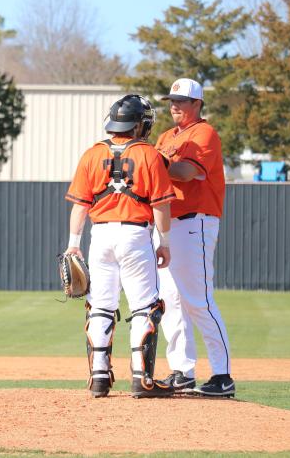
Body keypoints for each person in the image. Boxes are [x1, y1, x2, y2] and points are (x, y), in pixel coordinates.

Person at [64, 94, 176, 399]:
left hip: (99, 236)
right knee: (145, 307)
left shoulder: (91, 154)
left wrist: (74, 244)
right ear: (139, 125)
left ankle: (99, 377)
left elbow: (79, 206)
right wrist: (164, 242)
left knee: (100, 306)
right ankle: (142, 379)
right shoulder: (149, 155)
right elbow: (161, 206)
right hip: (135, 236)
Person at [155, 78, 235, 397]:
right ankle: (182, 370)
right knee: (171, 301)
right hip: (168, 224)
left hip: (195, 222)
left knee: (198, 300)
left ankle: (222, 375)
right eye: (171, 100)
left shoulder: (205, 133)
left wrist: (152, 159)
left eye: (181, 101)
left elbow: (186, 172)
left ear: (197, 104)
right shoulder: (165, 136)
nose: (174, 105)